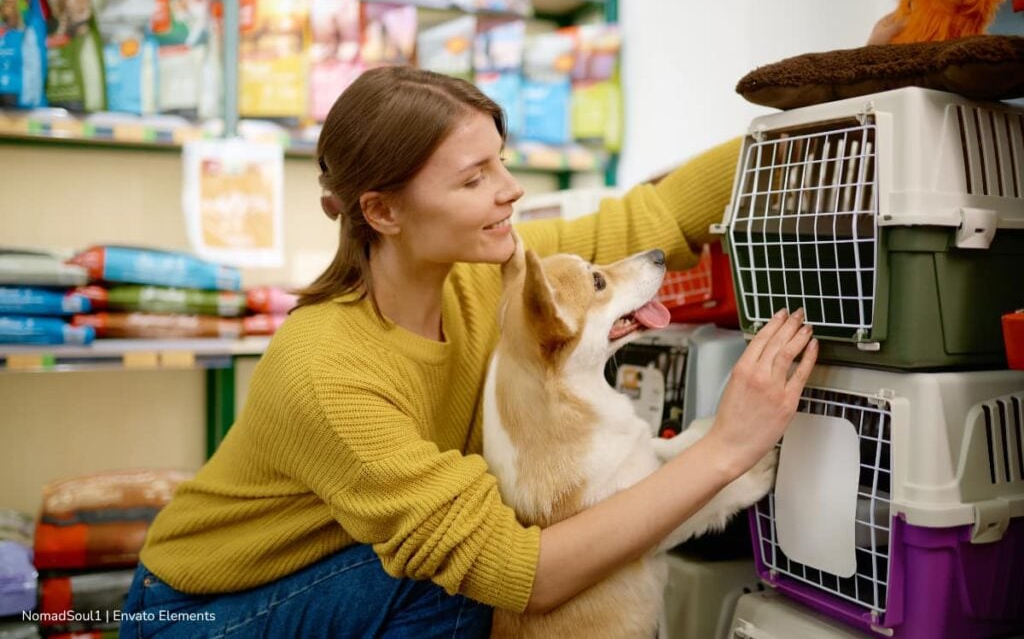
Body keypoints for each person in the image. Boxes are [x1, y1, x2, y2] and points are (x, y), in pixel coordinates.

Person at [120, 66, 817, 638]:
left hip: (343, 569)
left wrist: (827, 107)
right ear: (383, 212)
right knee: (459, 589)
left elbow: (646, 219)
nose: (510, 191)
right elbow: (528, 575)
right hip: (199, 610)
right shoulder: (327, 369)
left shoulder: (488, 276)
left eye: (502, 163)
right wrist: (725, 447)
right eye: (474, 176)